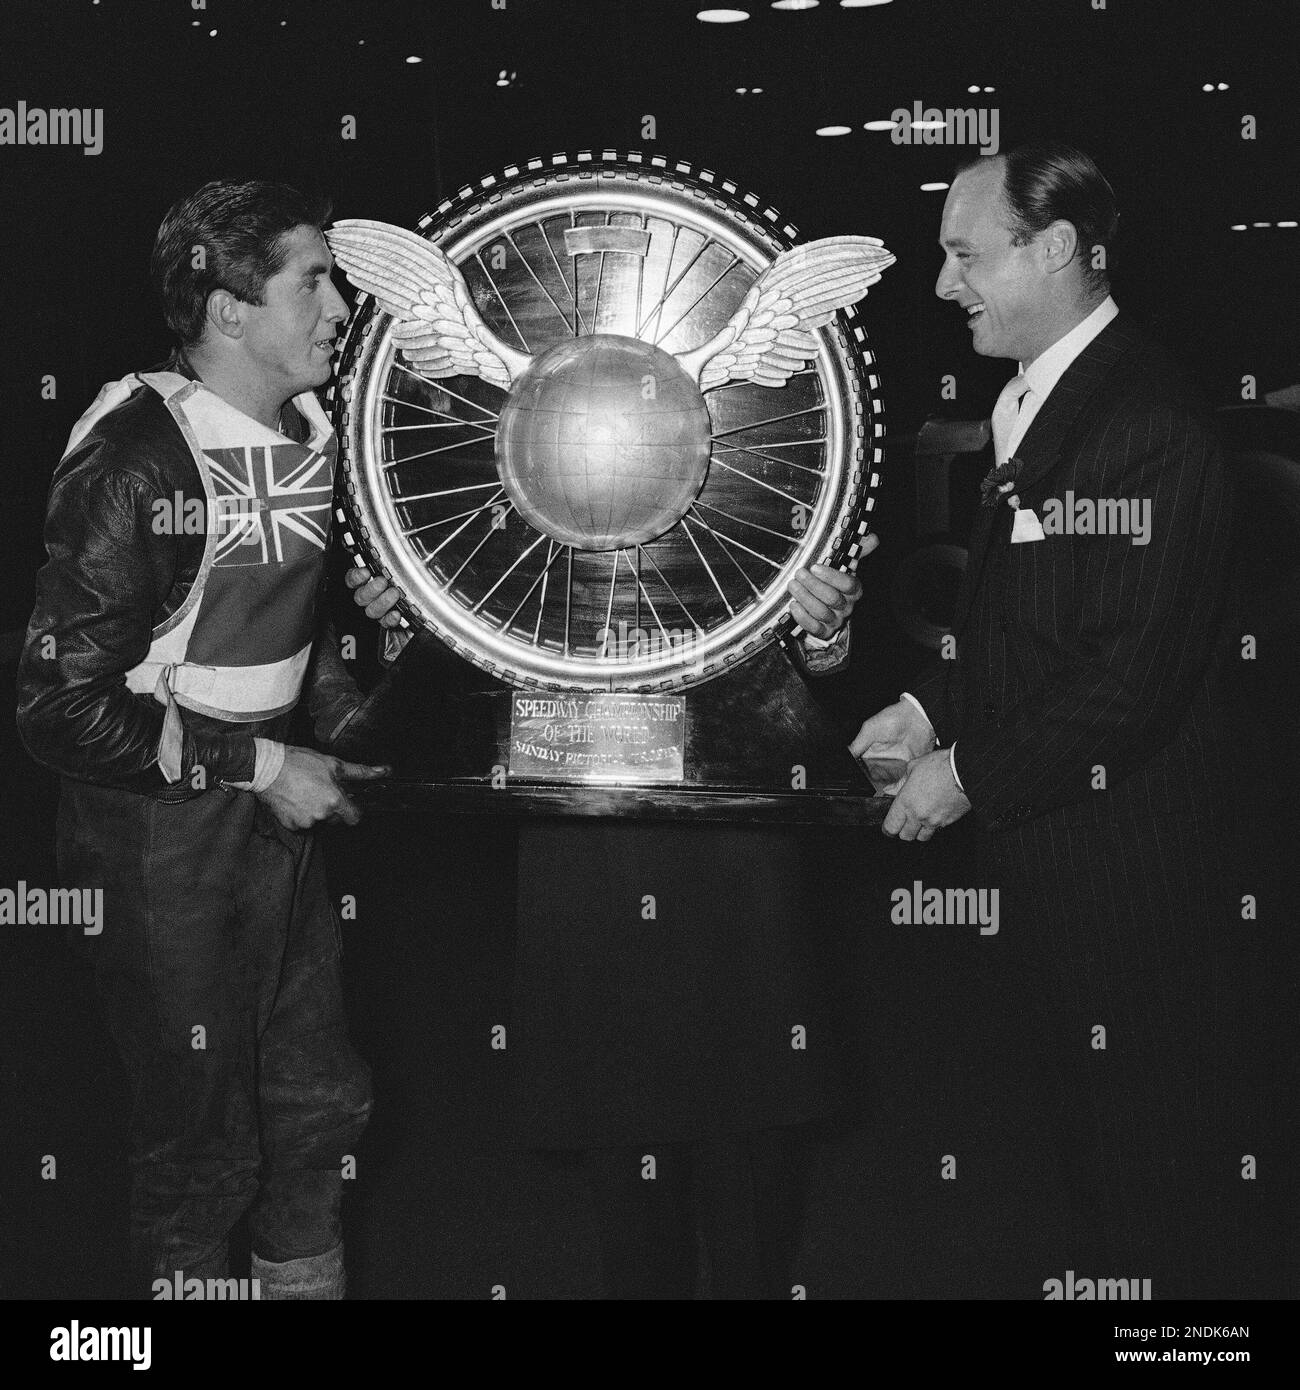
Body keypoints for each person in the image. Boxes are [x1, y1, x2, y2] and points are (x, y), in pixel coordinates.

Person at [851, 142, 1269, 1296]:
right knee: (1079, 1177)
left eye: (962, 255)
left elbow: (1129, 676)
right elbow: (1013, 621)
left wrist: (963, 772)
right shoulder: (1030, 398)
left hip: (1130, 888)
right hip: (1050, 871)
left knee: (1156, 1197)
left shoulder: (1146, 422)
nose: (943, 286)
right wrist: (917, 705)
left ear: (1052, 249)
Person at [16, 181, 389, 1299]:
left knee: (318, 1106)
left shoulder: (317, 431)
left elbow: (284, 635)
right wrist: (264, 766)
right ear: (228, 310)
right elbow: (57, 705)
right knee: (198, 1145)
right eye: (311, 280)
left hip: (272, 825)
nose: (340, 306)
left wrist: (371, 645)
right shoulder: (136, 456)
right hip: (160, 836)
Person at [349, 548, 870, 1300]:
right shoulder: (524, 472)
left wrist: (825, 630)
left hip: (735, 835)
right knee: (624, 1161)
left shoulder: (753, 463)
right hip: (583, 847)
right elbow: (470, 668)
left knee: (751, 1152)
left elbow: (816, 663)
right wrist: (414, 622)